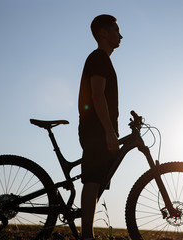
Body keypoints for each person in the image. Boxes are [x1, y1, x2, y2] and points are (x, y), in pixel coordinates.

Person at [78, 14, 123, 240]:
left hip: (99, 127)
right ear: (103, 33)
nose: (121, 36)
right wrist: (108, 130)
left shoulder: (102, 59)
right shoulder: (99, 58)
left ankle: (88, 233)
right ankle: (87, 236)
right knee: (92, 180)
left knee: (96, 182)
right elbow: (97, 95)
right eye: (116, 31)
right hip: (96, 128)